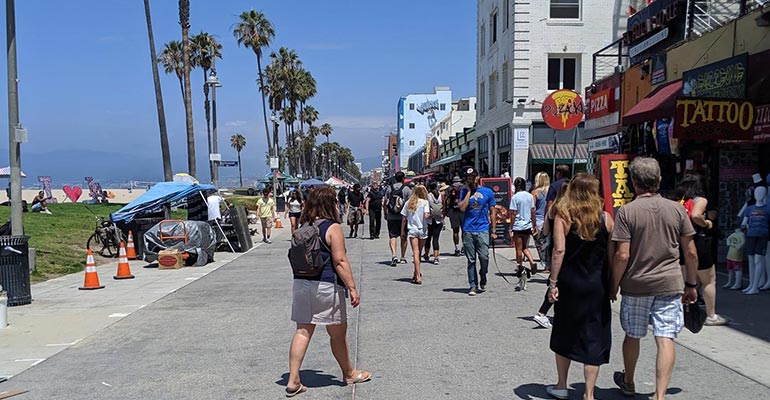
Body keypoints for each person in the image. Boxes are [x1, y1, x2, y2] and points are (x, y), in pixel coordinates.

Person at [610, 157, 698, 400]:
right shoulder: (677, 210)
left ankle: (628, 380)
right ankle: (659, 395)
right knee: (665, 337)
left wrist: (613, 285)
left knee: (633, 333)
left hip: (636, 284)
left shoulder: (627, 212)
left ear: (634, 183)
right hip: (670, 283)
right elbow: (690, 252)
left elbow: (622, 255)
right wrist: (691, 283)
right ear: (659, 180)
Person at [286, 187, 371, 397]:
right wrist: (352, 287)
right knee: (338, 333)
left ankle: (293, 380)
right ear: (330, 203)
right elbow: (340, 261)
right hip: (326, 286)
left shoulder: (303, 226)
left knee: (303, 331)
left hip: (301, 283)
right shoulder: (331, 227)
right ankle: (349, 373)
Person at [546, 174, 615, 400]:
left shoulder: (564, 216)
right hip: (597, 284)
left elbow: (559, 251)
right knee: (594, 336)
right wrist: (614, 284)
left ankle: (562, 384)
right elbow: (612, 256)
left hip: (570, 283)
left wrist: (552, 282)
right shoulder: (606, 219)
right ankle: (589, 393)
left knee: (565, 331)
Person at [676, 175, 727, 326]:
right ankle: (711, 315)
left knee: (684, 280)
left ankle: (680, 314)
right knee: (709, 280)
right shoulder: (700, 199)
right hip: (698, 241)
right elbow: (696, 215)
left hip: (681, 242)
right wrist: (706, 224)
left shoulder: (679, 201)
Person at [533, 180, 569, 329]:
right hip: (566, 247)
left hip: (553, 246)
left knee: (557, 279)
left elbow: (546, 232)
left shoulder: (553, 208)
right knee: (558, 281)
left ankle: (546, 312)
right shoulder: (569, 210)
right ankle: (542, 312)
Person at [459, 167, 497, 296]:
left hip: (483, 229)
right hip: (468, 229)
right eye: (468, 177)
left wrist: (493, 229)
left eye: (472, 177)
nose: (470, 179)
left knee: (484, 256)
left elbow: (492, 211)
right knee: (471, 260)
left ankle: (483, 274)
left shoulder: (487, 192)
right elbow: (462, 208)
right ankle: (473, 285)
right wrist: (469, 192)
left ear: (478, 177)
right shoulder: (464, 191)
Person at [509, 177, 538, 280]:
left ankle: (520, 266)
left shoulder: (515, 197)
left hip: (517, 225)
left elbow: (513, 214)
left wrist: (511, 228)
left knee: (518, 249)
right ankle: (532, 261)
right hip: (527, 225)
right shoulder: (530, 196)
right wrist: (534, 224)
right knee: (525, 247)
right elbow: (533, 211)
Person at [401, 185, 430, 284]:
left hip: (412, 229)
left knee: (415, 252)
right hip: (422, 229)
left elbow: (404, 218)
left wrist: (402, 231)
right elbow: (426, 215)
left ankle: (416, 274)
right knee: (419, 252)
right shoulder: (425, 202)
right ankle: (417, 274)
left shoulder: (408, 203)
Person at [384, 172, 412, 266]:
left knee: (392, 236)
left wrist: (385, 213)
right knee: (403, 236)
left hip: (391, 216)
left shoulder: (389, 188)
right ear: (403, 178)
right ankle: (403, 257)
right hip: (403, 217)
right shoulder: (407, 189)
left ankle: (394, 255)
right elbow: (410, 204)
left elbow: (385, 202)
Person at [423, 182, 444, 265]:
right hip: (439, 219)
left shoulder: (428, 196)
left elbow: (426, 207)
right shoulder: (441, 195)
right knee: (436, 239)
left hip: (430, 220)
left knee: (428, 238)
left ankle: (426, 254)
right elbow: (444, 205)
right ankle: (436, 257)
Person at [447, 176, 466, 256]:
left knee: (455, 231)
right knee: (464, 230)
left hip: (453, 210)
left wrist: (446, 211)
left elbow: (447, 200)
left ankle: (457, 248)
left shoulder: (449, 188)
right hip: (462, 210)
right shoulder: (464, 187)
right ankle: (464, 247)